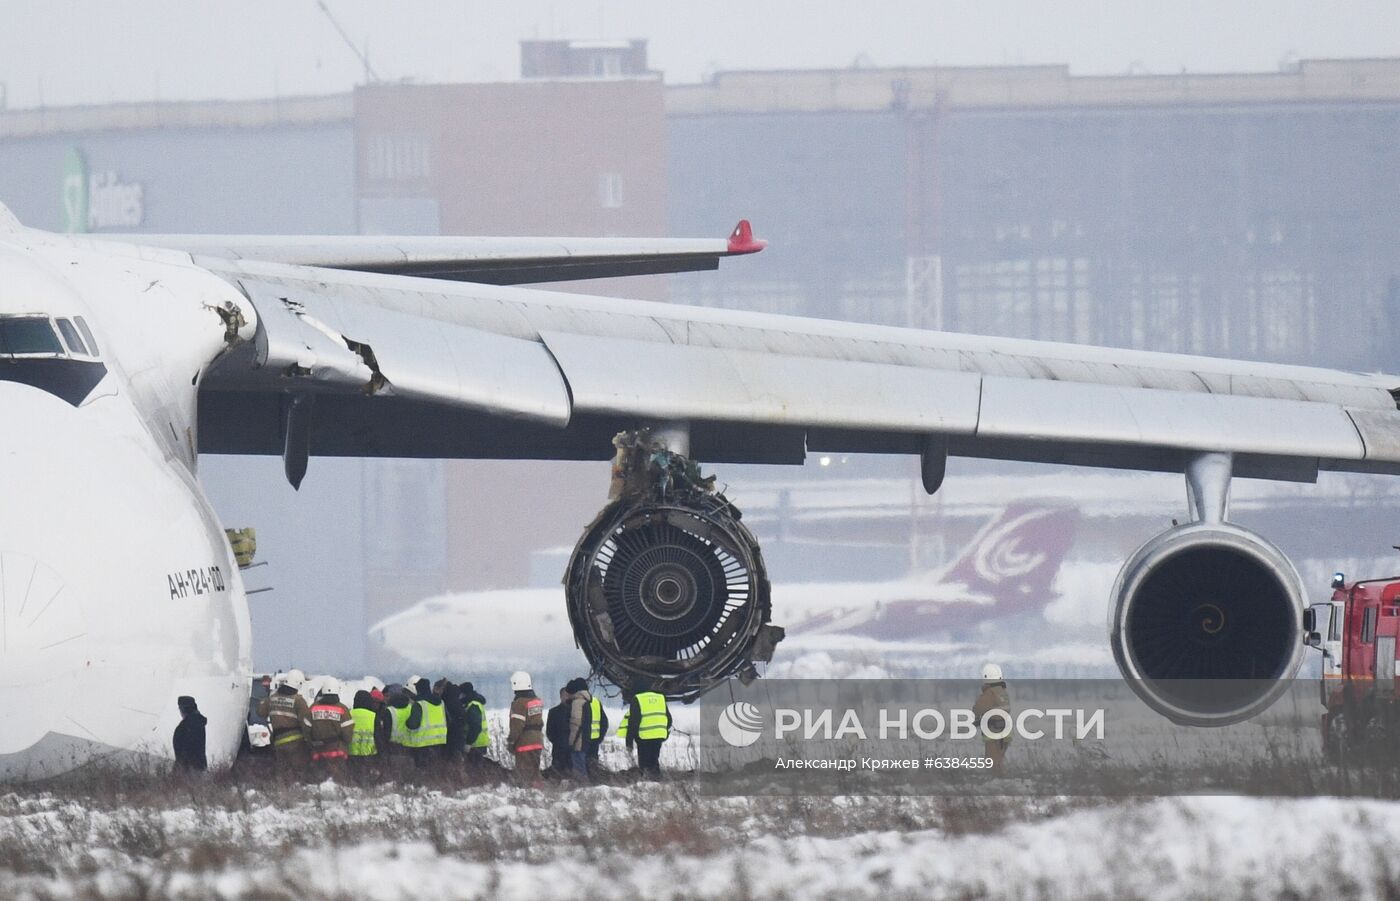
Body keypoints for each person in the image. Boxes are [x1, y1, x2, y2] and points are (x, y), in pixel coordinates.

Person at [257, 669, 311, 772]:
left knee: (282, 772)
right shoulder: (299, 701)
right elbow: (306, 723)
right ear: (298, 684)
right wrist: (310, 741)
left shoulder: (272, 698)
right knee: (297, 772)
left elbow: (260, 712)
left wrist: (265, 699)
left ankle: (279, 787)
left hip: (278, 742)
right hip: (296, 743)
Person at [304, 682, 355, 777]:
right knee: (339, 778)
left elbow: (306, 729)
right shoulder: (342, 708)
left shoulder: (313, 708)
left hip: (318, 751)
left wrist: (310, 742)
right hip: (337, 750)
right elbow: (347, 733)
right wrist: (345, 743)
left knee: (319, 777)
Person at [506, 670, 545, 786]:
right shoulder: (537, 701)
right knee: (535, 772)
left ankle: (525, 795)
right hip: (538, 741)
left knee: (523, 774)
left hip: (524, 743)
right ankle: (538, 793)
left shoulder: (519, 703)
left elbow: (517, 725)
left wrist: (511, 741)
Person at [973, 663, 1012, 771]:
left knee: (992, 762)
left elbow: (978, 708)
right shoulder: (1002, 691)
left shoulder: (990, 693)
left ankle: (996, 782)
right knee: (999, 760)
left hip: (993, 731)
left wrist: (979, 717)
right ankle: (1002, 780)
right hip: (1006, 731)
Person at [626, 686, 671, 779]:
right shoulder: (660, 697)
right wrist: (664, 730)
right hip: (659, 736)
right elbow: (669, 719)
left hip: (644, 737)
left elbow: (633, 723)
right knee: (654, 759)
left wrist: (629, 742)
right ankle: (656, 780)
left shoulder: (637, 698)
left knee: (644, 763)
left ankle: (647, 782)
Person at [404, 677, 448, 768]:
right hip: (440, 741)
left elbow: (413, 724)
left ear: (418, 690)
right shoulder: (441, 703)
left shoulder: (419, 704)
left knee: (423, 770)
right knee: (435, 769)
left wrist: (407, 723)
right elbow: (448, 720)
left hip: (423, 744)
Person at [565, 677, 593, 781]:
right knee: (581, 763)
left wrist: (572, 742)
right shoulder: (586, 701)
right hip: (584, 738)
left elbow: (576, 723)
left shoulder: (577, 703)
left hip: (578, 741)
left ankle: (583, 786)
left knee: (579, 765)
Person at [348, 689, 381, 778]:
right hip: (369, 756)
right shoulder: (373, 716)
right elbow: (378, 737)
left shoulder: (348, 714)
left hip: (351, 754)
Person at [172, 696, 207, 772]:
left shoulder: (186, 726)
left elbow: (184, 752)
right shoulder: (199, 723)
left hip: (187, 770)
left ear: (183, 709)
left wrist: (177, 770)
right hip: (200, 767)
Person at [545, 687, 572, 779]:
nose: (567, 697)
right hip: (558, 748)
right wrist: (557, 742)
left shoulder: (576, 712)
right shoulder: (553, 712)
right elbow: (549, 731)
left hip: (572, 748)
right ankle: (554, 791)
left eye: (568, 695)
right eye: (565, 695)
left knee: (572, 773)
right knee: (557, 772)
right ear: (561, 697)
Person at [461, 681, 490, 766]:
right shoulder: (474, 703)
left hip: (475, 743)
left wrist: (468, 743)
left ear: (464, 694)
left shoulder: (473, 706)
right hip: (479, 743)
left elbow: (475, 727)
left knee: (474, 770)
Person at [586, 691, 608, 776]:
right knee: (593, 763)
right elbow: (604, 722)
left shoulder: (578, 702)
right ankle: (595, 779)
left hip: (582, 739)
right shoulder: (596, 701)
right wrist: (600, 737)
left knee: (583, 763)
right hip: (595, 739)